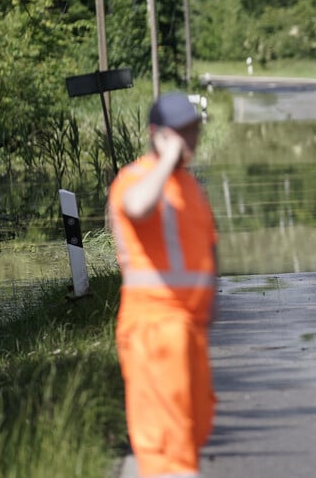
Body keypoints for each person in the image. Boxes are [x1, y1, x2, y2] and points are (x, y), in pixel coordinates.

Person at [109, 92, 218, 478]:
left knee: (190, 437)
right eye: (182, 133)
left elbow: (207, 248)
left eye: (194, 130)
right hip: (152, 331)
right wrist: (167, 159)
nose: (192, 139)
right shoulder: (135, 179)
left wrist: (210, 307)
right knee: (166, 454)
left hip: (189, 333)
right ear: (158, 135)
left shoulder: (191, 188)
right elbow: (138, 207)